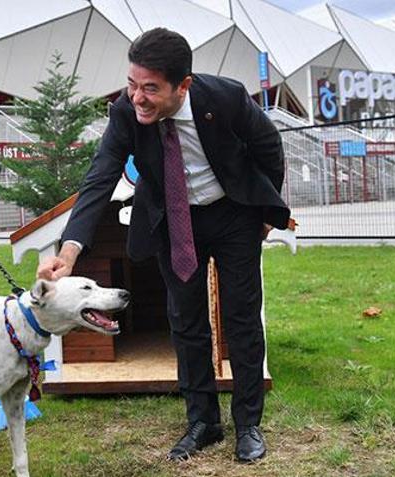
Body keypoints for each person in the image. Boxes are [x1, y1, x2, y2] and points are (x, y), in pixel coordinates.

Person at [37, 28, 289, 463]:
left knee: (241, 317)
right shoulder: (124, 112)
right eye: (132, 84)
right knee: (185, 320)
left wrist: (266, 214)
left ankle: (247, 424)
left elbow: (269, 147)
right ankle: (203, 422)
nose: (137, 97)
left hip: (231, 215)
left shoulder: (225, 98)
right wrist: (69, 250)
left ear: (183, 86)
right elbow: (100, 178)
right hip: (173, 219)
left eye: (150, 88)